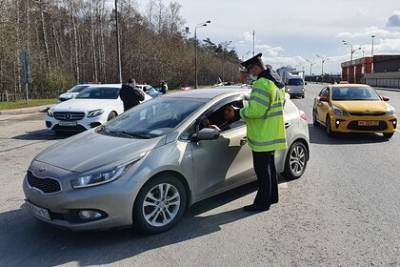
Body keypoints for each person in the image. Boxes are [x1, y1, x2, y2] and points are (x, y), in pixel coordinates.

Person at [229, 53, 287, 212]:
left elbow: (256, 111)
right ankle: (272, 197)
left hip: (262, 136)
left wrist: (238, 112)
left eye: (249, 70)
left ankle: (262, 203)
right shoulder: (274, 83)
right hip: (271, 134)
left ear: (256, 67)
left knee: (262, 172)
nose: (249, 74)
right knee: (269, 169)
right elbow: (280, 103)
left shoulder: (261, 84)